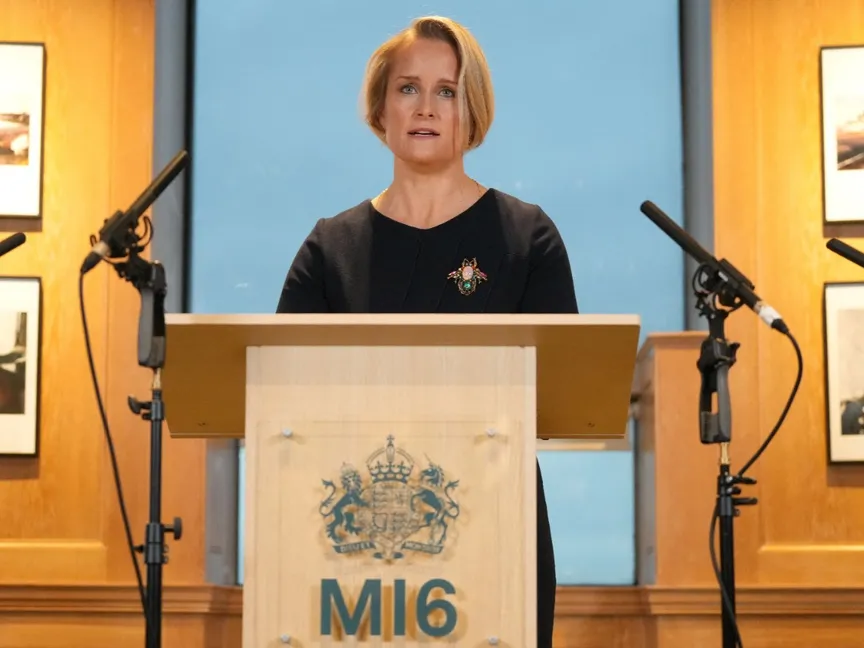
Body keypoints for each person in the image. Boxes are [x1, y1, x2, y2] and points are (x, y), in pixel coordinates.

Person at [277, 15, 578, 647]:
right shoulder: (330, 247)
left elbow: (558, 392)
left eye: (447, 91)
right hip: (356, 543)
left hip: (496, 520)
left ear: (473, 110)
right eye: (408, 88)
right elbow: (283, 397)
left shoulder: (526, 237)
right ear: (380, 109)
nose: (426, 108)